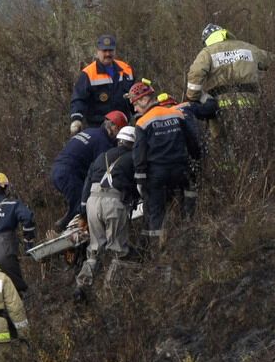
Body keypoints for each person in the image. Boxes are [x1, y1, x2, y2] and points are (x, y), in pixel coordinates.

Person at [129, 81, 202, 244]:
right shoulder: (176, 113)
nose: (134, 109)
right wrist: (196, 161)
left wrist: (140, 181)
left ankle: (156, 254)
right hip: (180, 170)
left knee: (156, 214)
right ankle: (188, 235)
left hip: (157, 175)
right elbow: (192, 141)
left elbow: (139, 154)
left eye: (134, 103)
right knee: (187, 198)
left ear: (144, 99)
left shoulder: (142, 123)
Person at [74, 125, 139, 296]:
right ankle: (110, 292)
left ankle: (82, 287)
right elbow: (137, 184)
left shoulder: (101, 157)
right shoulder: (133, 158)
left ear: (119, 140)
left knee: (94, 248)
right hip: (114, 202)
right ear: (133, 142)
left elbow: (87, 183)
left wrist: (83, 209)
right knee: (118, 249)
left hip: (92, 202)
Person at [185, 23, 275, 139]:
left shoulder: (207, 53)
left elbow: (195, 74)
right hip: (251, 102)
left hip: (221, 106)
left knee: (225, 142)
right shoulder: (249, 48)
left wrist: (193, 96)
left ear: (206, 40)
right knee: (254, 139)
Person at [51, 111, 128, 231]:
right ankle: (69, 231)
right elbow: (101, 169)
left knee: (78, 203)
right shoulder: (103, 142)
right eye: (120, 131)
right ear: (113, 126)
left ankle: (64, 224)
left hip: (58, 170)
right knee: (81, 206)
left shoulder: (90, 131)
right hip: (69, 174)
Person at [69, 34, 136, 135]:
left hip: (123, 126)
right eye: (104, 51)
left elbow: (134, 95)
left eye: (110, 50)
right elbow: (79, 98)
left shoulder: (126, 69)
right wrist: (76, 119)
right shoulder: (88, 74)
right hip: (98, 127)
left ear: (115, 51)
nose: (108, 54)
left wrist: (140, 116)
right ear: (97, 52)